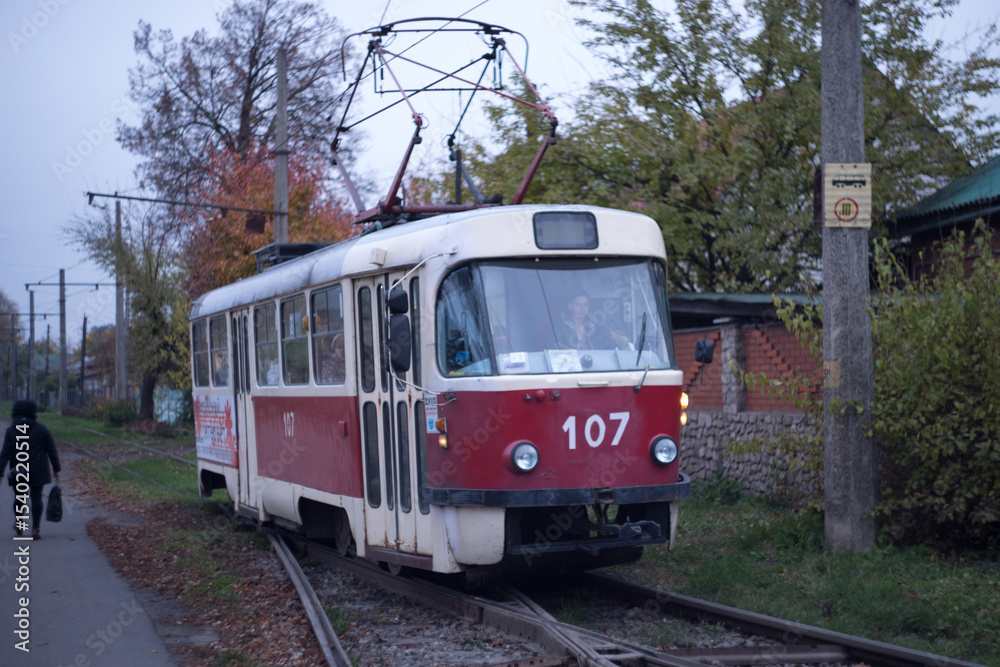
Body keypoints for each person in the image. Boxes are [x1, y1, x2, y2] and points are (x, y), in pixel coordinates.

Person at [1, 400, 61, 540]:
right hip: (38, 468)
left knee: (20, 498)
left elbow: (5, 454)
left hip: (19, 470)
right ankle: (35, 529)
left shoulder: (11, 431)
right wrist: (56, 469)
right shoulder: (42, 429)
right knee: (36, 498)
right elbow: (51, 450)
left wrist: (0, 473)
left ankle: (20, 523)